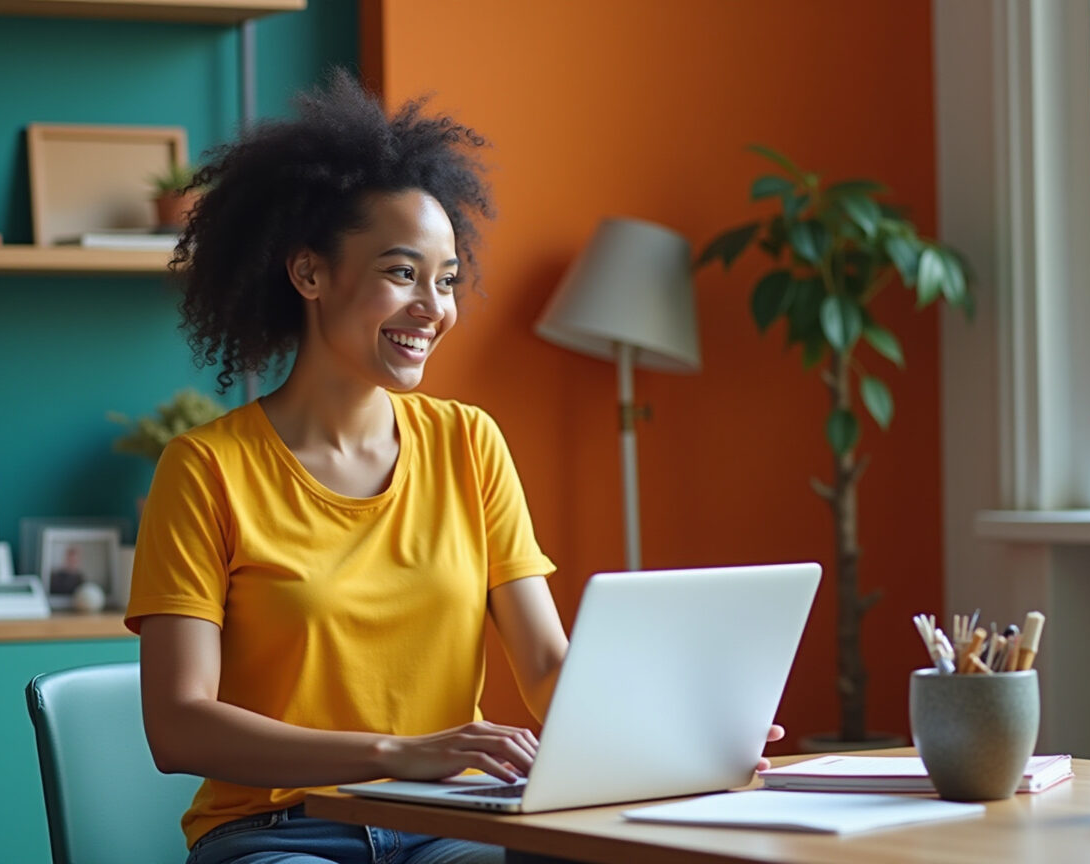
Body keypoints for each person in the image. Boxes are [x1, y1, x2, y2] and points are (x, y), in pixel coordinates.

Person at [126, 70, 782, 864]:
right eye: (401, 273)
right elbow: (179, 724)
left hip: (450, 826)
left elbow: (546, 667)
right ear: (309, 274)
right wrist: (395, 753)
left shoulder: (469, 444)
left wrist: (682, 736)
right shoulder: (206, 470)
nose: (434, 309)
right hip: (276, 833)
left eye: (445, 280)